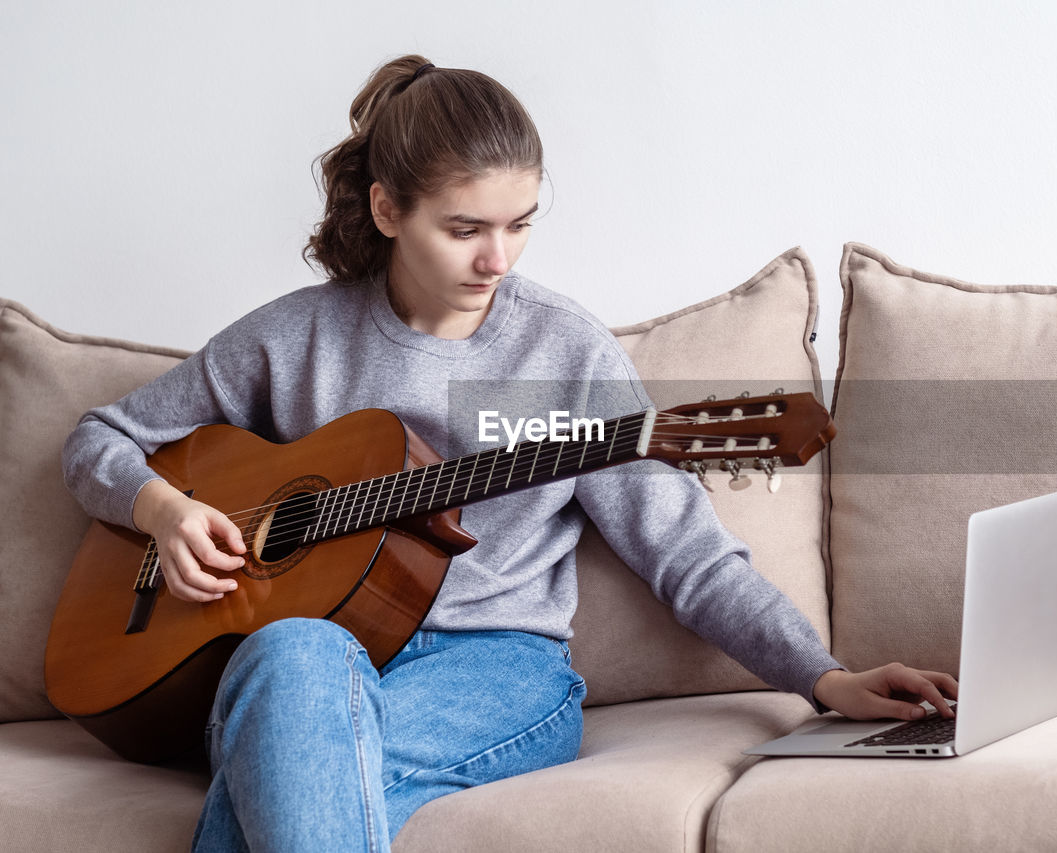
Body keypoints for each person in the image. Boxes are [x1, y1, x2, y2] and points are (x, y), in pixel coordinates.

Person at [62, 54, 957, 852]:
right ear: (386, 210)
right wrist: (165, 510)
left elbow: (686, 554)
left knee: (289, 760)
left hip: (495, 670)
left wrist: (822, 673)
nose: (499, 259)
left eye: (520, 223)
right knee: (292, 657)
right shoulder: (293, 339)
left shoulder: (563, 354)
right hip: (299, 668)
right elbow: (98, 438)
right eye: (465, 229)